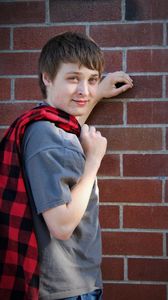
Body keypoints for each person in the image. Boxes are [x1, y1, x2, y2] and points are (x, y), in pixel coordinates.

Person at [0, 31, 133, 300]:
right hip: (66, 290)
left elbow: (69, 131)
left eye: (91, 80)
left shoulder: (52, 126)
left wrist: (97, 94)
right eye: (74, 79)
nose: (84, 90)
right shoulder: (49, 137)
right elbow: (61, 225)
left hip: (70, 283)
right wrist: (93, 161)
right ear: (47, 78)